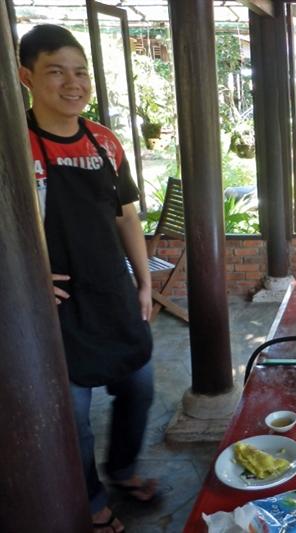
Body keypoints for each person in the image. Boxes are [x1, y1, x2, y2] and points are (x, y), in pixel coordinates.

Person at [18, 25, 158, 533]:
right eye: (56, 71)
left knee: (139, 388)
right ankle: (91, 496)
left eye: (80, 72)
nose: (72, 83)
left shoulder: (104, 141)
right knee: (71, 417)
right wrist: (25, 281)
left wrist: (143, 283)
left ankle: (121, 470)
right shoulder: (17, 146)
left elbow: (127, 218)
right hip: (55, 308)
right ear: (26, 76)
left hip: (114, 294)